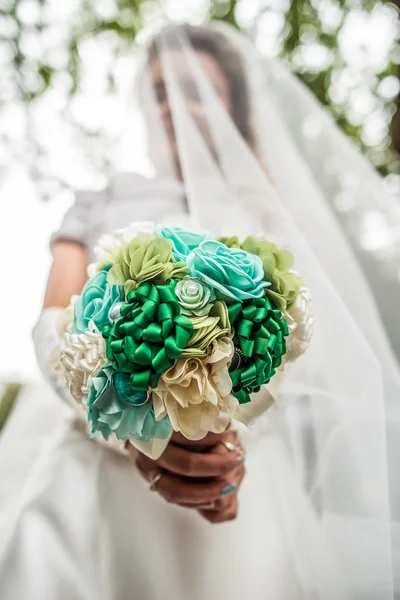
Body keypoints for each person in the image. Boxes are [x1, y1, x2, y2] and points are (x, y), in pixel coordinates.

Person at [0, 22, 399, 600]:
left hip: (242, 475)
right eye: (160, 92)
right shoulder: (100, 203)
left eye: (194, 90)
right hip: (90, 464)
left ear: (233, 103)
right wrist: (131, 429)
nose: (173, 107)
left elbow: (305, 356)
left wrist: (224, 452)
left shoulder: (274, 215)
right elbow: (53, 324)